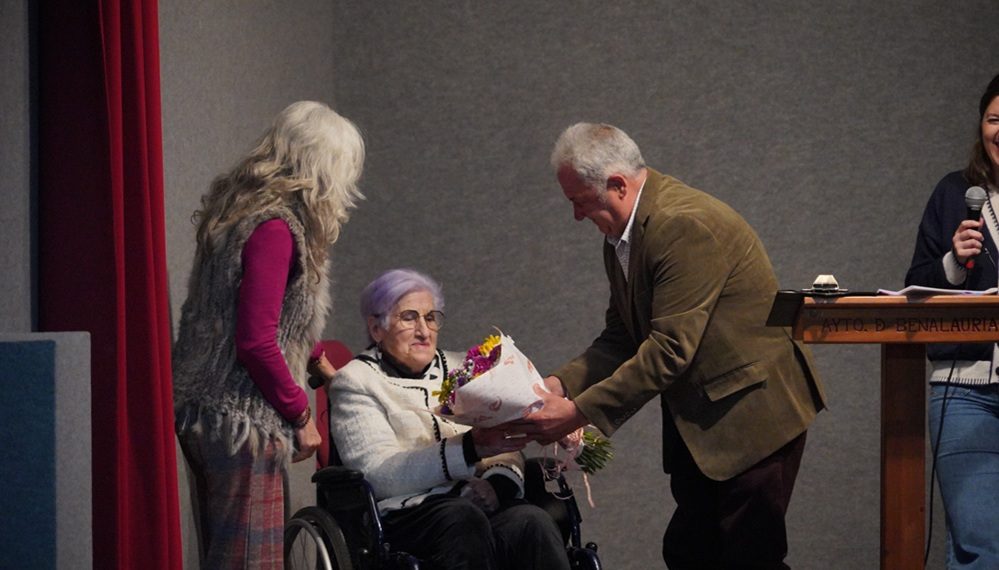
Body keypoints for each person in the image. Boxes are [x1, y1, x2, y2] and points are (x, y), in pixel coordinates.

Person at [506, 123, 827, 569]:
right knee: (690, 552)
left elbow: (671, 348)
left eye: (579, 201)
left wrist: (578, 414)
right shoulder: (621, 236)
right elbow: (621, 337)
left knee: (748, 557)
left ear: (617, 185)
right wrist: (557, 386)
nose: (577, 216)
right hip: (705, 421)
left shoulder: (681, 225)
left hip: (752, 416)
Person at [172, 101, 364, 568]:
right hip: (243, 419)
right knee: (248, 562)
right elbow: (257, 339)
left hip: (205, 408)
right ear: (325, 168)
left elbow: (271, 321)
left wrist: (318, 359)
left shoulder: (241, 215)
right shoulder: (278, 227)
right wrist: (301, 416)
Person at [327, 268, 571, 570]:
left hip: (476, 503)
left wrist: (497, 484)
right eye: (409, 317)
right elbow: (378, 475)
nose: (424, 331)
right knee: (461, 518)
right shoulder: (356, 382)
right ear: (377, 328)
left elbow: (504, 444)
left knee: (532, 521)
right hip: (407, 516)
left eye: (430, 318)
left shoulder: (465, 369)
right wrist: (470, 448)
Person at [905, 73, 999, 569]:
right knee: (981, 545)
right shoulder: (954, 193)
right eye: (994, 118)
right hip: (965, 391)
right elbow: (914, 286)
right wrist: (951, 262)